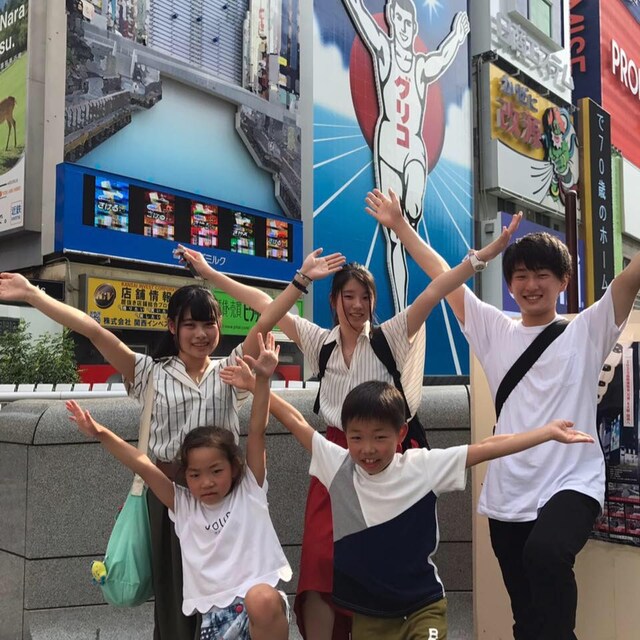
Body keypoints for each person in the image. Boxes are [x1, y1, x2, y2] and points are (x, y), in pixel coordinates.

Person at [180, 213, 518, 640]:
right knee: (321, 563)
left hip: (388, 458)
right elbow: (264, 304)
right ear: (334, 300)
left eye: (365, 297)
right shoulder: (320, 343)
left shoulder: (392, 335)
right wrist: (210, 273)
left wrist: (482, 257)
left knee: (383, 559)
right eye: (348, 296)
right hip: (335, 457)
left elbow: (436, 290)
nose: (357, 305)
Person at [0, 247, 344, 640]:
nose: (200, 334)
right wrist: (33, 294)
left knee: (231, 595)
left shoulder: (231, 370)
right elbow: (94, 330)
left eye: (208, 324)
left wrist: (300, 280)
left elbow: (266, 319)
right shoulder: (149, 373)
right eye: (190, 325)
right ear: (172, 328)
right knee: (175, 595)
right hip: (169, 496)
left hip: (226, 498)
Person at [366, 187, 640, 640]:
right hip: (509, 490)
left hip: (573, 480)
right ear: (510, 284)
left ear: (563, 281)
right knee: (525, 616)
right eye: (521, 276)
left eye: (543, 275)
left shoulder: (587, 330)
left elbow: (629, 279)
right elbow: (442, 274)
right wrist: (400, 226)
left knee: (547, 554)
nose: (531, 285)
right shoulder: (495, 330)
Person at [221, 373, 594, 640]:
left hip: (422, 607)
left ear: (401, 434)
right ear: (345, 435)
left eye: (379, 437)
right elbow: (297, 421)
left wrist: (545, 433)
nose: (367, 449)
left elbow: (485, 448)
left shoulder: (422, 466)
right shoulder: (337, 465)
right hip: (368, 613)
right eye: (356, 437)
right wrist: (258, 384)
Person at [65, 331, 292, 640]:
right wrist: (99, 432)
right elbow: (142, 464)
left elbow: (257, 431)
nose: (207, 482)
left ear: (234, 467)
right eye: (195, 474)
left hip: (259, 612)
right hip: (214, 618)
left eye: (216, 471)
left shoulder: (249, 489)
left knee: (261, 599)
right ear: (186, 476)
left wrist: (262, 379)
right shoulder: (184, 504)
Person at [342, 0, 469, 312]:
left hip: (413, 149)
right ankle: (401, 310)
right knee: (394, 239)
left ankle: (408, 224)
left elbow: (442, 58)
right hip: (387, 148)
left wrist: (457, 36)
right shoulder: (384, 53)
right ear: (391, 21)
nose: (402, 27)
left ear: (413, 29)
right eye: (397, 20)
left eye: (407, 23)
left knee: (411, 212)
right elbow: (362, 18)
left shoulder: (420, 66)